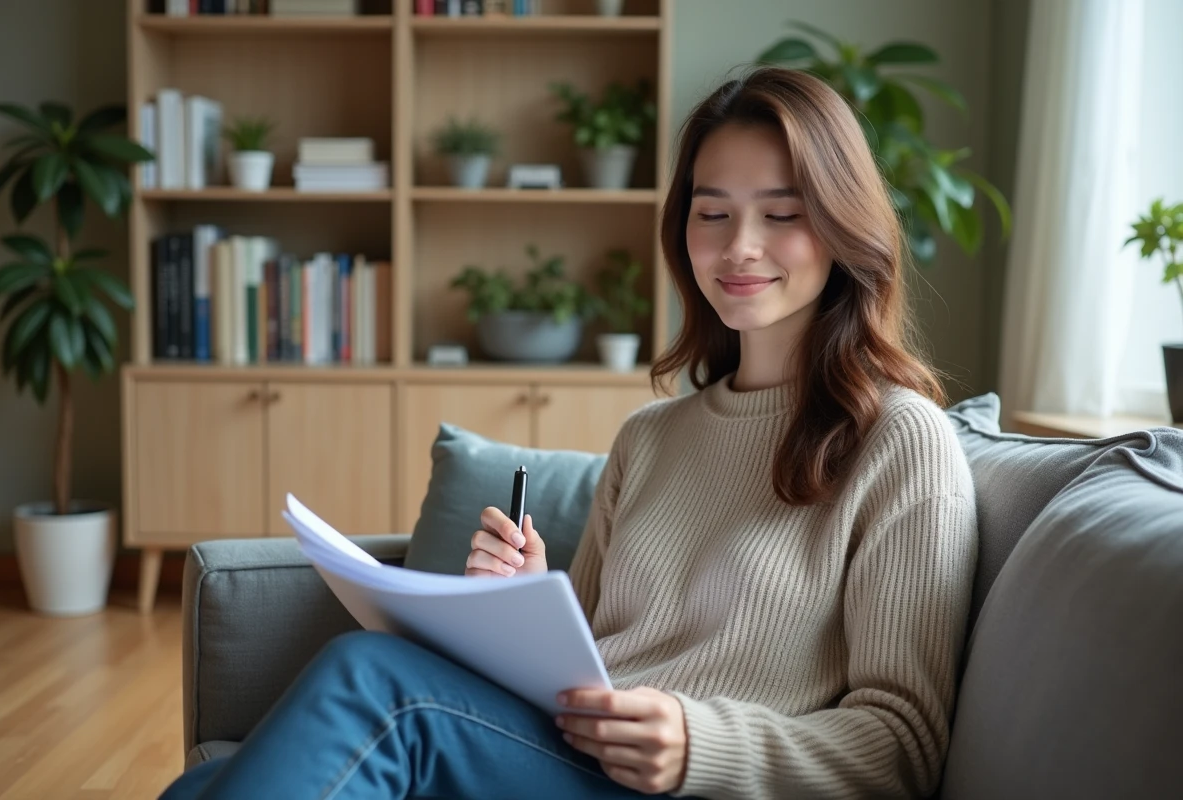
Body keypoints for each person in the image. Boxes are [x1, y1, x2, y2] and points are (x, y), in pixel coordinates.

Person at [161, 65, 978, 800]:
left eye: (782, 213)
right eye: (713, 212)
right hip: (562, 760)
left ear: (841, 226)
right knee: (198, 788)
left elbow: (903, 747)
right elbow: (583, 665)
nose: (740, 246)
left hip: (684, 788)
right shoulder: (651, 439)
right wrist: (521, 599)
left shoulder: (900, 441)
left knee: (373, 679)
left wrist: (703, 745)